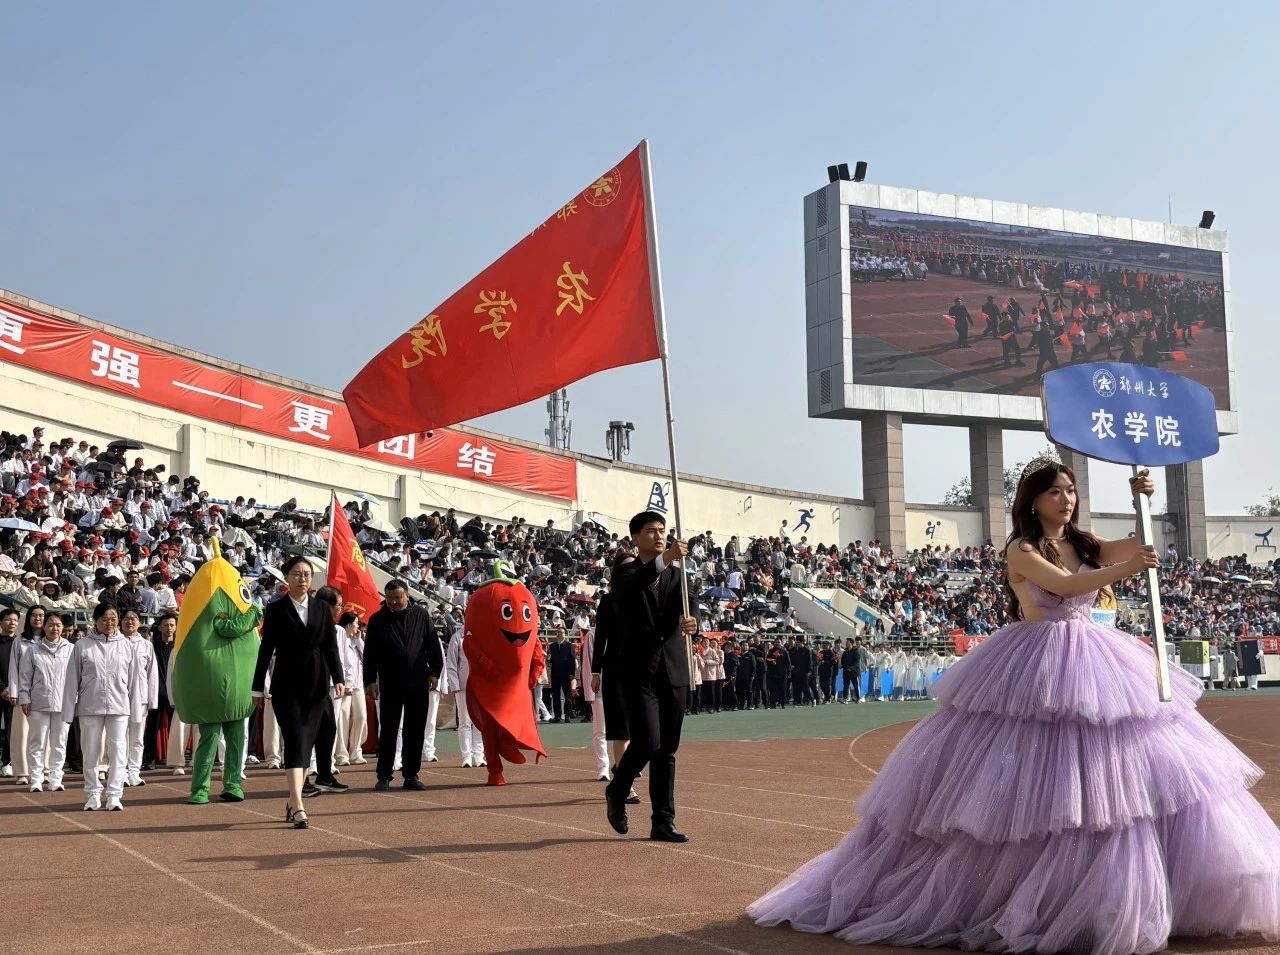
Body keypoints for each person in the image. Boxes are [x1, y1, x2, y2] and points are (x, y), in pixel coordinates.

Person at [750, 456, 1280, 953]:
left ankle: (1125, 895)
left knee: (1124, 776)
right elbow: (1067, 586)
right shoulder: (1022, 550)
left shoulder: (1083, 541)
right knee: (1037, 781)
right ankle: (1035, 899)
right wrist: (1125, 568)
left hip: (1097, 658)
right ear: (1033, 501)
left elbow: (1134, 545)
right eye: (1055, 492)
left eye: (1070, 491)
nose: (1066, 499)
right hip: (1038, 661)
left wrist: (1142, 497)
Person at [603, 511, 697, 843]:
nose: (659, 536)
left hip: (673, 669)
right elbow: (634, 586)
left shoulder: (678, 576)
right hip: (637, 672)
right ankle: (617, 789)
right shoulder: (625, 573)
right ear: (635, 537)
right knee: (647, 741)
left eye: (662, 530)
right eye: (651, 531)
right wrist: (667, 557)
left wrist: (693, 623)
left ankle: (663, 821)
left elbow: (691, 608)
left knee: (666, 750)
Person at [252, 556, 346, 830]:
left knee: (306, 743)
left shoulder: (321, 608)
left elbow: (331, 647)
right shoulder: (276, 609)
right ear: (286, 577)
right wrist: (257, 687)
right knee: (294, 741)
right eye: (297, 574)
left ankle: (293, 800)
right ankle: (299, 807)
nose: (302, 579)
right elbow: (265, 650)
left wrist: (338, 677)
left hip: (317, 685)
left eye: (306, 574)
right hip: (286, 685)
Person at [364, 579, 442, 792]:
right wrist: (370, 681)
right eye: (389, 598)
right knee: (389, 729)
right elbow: (369, 654)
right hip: (389, 682)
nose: (393, 602)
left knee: (414, 729)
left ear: (407, 596)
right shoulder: (377, 620)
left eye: (398, 597)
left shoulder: (421, 616)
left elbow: (433, 645)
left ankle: (411, 775)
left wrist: (435, 672)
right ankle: (384, 775)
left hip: (418, 680)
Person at [63, 603, 141, 811]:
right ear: (95, 620)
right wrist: (68, 711)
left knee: (118, 751)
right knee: (91, 752)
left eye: (113, 619)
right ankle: (92, 793)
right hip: (90, 706)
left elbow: (134, 681)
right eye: (104, 619)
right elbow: (71, 680)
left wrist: (136, 711)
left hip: (119, 706)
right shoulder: (82, 646)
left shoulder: (126, 645)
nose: (109, 623)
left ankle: (114, 794)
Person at [16, 611, 74, 792]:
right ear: (44, 627)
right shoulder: (33, 649)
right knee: (37, 743)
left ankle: (55, 778)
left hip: (62, 704)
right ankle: (36, 779)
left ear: (63, 628)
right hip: (38, 703)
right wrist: (24, 697)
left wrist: (74, 700)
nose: (54, 628)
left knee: (59, 743)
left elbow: (75, 678)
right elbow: (24, 677)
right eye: (50, 624)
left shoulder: (71, 649)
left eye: (58, 625)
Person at [120, 609, 158, 788]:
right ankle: (120, 772)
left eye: (133, 618)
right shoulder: (116, 643)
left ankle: (134, 771)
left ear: (139, 622)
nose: (130, 622)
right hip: (118, 697)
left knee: (136, 737)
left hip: (140, 698)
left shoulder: (146, 645)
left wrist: (151, 700)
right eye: (126, 618)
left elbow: (152, 674)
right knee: (120, 737)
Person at [444, 617, 485, 769]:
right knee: (464, 721)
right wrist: (455, 685)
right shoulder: (457, 637)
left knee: (479, 722)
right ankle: (466, 756)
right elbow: (451, 663)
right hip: (463, 686)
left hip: (480, 686)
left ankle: (479, 755)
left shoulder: (482, 637)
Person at [333, 612, 367, 767]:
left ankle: (356, 751)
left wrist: (359, 640)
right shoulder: (341, 639)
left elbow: (366, 657)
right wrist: (344, 682)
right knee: (343, 719)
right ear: (348, 625)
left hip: (358, 685)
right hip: (345, 686)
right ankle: (341, 754)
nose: (358, 626)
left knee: (361, 716)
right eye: (356, 624)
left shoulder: (356, 641)